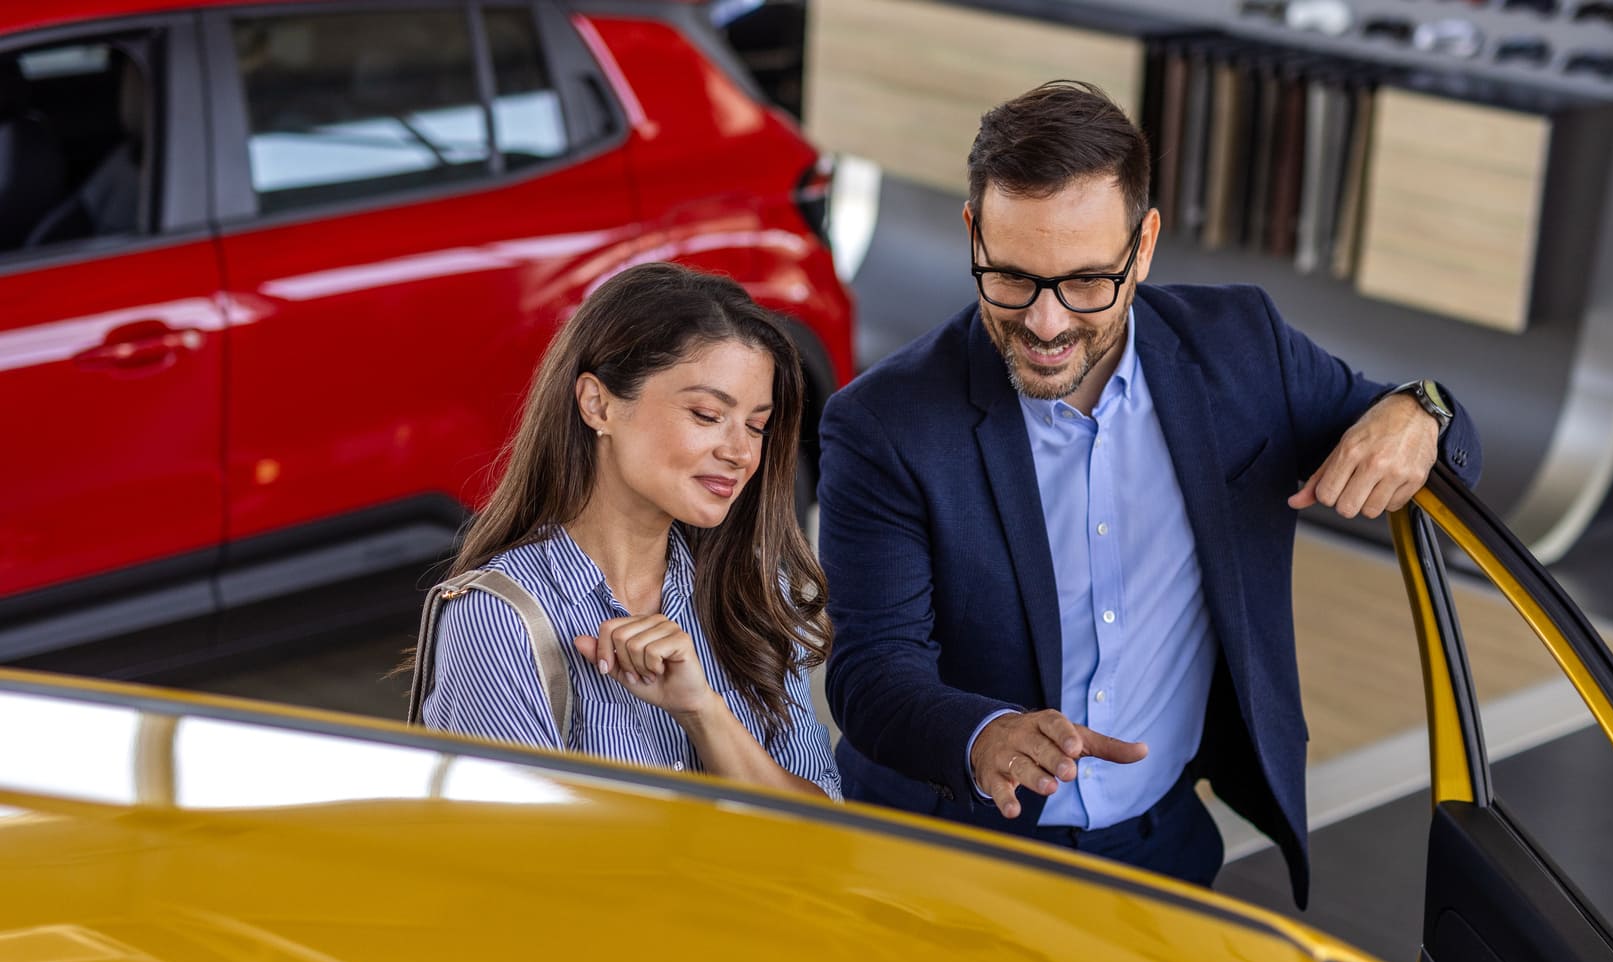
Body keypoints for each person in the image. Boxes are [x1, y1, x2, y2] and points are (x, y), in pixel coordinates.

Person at [817, 81, 1480, 900]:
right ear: (972, 232)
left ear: (1146, 244)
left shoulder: (1244, 349)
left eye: (1088, 282)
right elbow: (870, 673)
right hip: (953, 855)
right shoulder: (883, 424)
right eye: (1013, 278)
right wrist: (983, 734)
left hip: (1164, 848)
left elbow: (1430, 436)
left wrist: (1424, 411)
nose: (1048, 324)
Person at [419, 262, 840, 800]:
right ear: (599, 404)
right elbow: (518, 865)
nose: (740, 452)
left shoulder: (755, 589)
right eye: (708, 414)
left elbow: (823, 830)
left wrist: (703, 713)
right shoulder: (500, 621)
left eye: (757, 425)